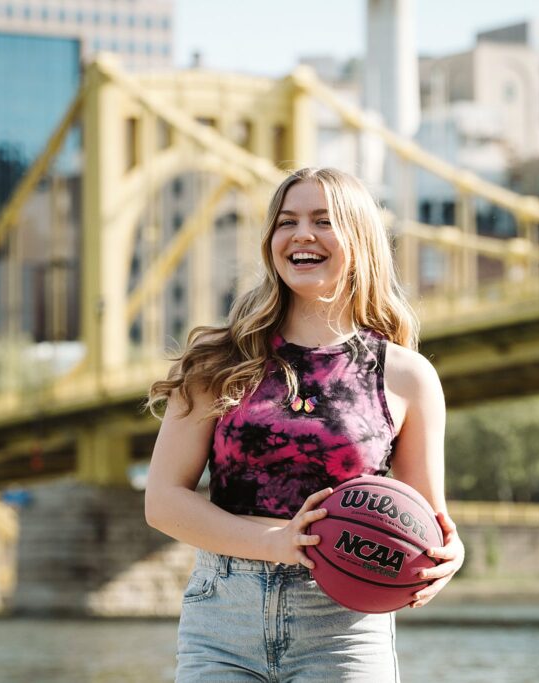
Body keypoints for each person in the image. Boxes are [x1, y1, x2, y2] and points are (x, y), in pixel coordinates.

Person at [145, 167, 465, 682]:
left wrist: (449, 556)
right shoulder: (217, 362)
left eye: (323, 220)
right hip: (223, 618)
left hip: (343, 628)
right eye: (286, 221)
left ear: (359, 242)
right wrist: (275, 542)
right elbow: (162, 501)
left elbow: (428, 521)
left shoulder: (408, 377)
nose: (302, 235)